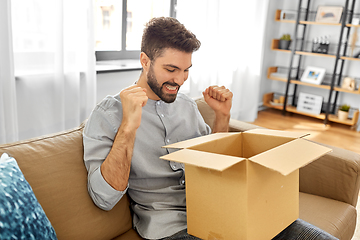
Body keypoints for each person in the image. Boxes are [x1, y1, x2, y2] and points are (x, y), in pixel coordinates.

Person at [83, 17, 338, 240]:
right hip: (170, 228)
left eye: (186, 71)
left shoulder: (186, 106)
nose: (180, 81)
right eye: (171, 69)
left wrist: (222, 117)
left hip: (224, 208)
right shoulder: (109, 114)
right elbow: (104, 198)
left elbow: (215, 166)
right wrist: (129, 127)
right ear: (145, 60)